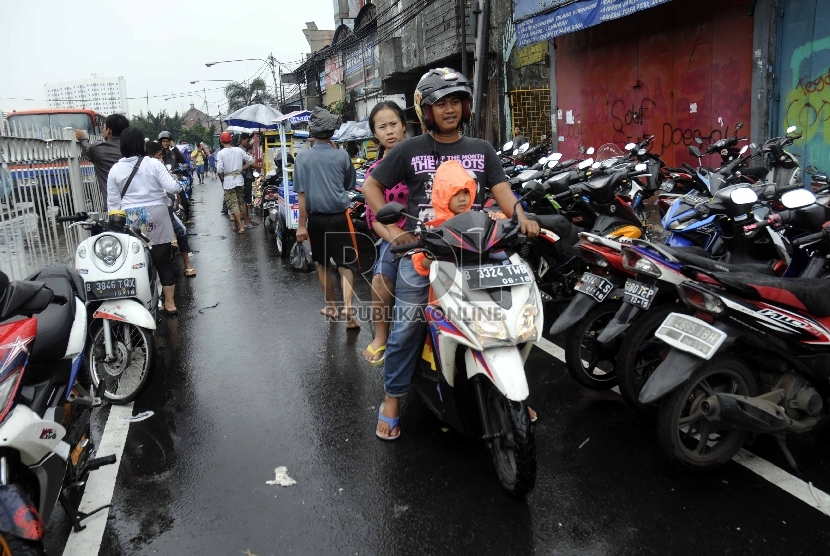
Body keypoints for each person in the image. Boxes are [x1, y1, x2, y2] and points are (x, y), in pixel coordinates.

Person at [361, 68, 540, 441]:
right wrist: (394, 232)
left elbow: (503, 191)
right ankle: (392, 399)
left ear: (466, 106)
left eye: (455, 101)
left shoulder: (482, 149)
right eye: (440, 103)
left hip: (477, 251)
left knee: (511, 315)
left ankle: (511, 393)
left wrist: (521, 218)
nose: (449, 109)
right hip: (423, 254)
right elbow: (372, 186)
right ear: (425, 110)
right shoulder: (409, 149)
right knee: (408, 326)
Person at [294, 107, 360, 329]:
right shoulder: (342, 155)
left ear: (311, 133)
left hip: (316, 220)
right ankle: (348, 307)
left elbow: (301, 195)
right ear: (332, 132)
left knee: (323, 265)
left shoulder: (302, 157)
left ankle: (332, 306)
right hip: (340, 218)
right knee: (345, 264)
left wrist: (301, 226)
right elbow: (350, 185)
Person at [107, 128, 182, 315]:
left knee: (136, 261)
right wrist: (177, 182)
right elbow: (173, 187)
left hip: (131, 216)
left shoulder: (115, 169)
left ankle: (142, 303)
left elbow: (113, 203)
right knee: (163, 260)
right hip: (157, 212)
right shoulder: (154, 164)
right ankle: (170, 304)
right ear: (142, 144)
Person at [361, 101, 409, 365]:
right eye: (383, 127)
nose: (390, 131)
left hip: (430, 232)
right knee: (381, 280)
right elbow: (374, 219)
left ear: (403, 126)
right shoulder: (374, 173)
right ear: (375, 134)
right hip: (393, 237)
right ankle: (382, 336)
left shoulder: (423, 159)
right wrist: (397, 239)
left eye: (394, 124)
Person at [146, 141, 196, 277]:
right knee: (181, 230)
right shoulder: (155, 165)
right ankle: (187, 265)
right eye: (158, 155)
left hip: (151, 208)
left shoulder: (169, 156)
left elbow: (182, 161)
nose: (160, 158)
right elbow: (172, 187)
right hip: (160, 207)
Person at [75, 113, 130, 200]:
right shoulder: (133, 148)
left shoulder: (98, 148)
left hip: (114, 205)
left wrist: (83, 139)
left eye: (104, 128)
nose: (103, 131)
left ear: (109, 131)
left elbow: (87, 149)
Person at [215, 131, 254, 233]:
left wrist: (223, 173)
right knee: (240, 202)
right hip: (239, 180)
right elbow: (250, 159)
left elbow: (219, 169)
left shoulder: (220, 153)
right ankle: (235, 224)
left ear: (221, 141)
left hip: (228, 181)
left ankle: (241, 227)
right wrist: (241, 168)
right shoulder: (238, 150)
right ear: (231, 140)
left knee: (233, 204)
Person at [239, 133, 263, 226]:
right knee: (245, 200)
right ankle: (247, 221)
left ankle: (247, 219)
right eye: (247, 141)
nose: (248, 143)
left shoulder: (242, 150)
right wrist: (263, 166)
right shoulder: (241, 150)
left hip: (245, 176)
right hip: (245, 176)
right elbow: (250, 163)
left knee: (246, 199)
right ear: (242, 140)